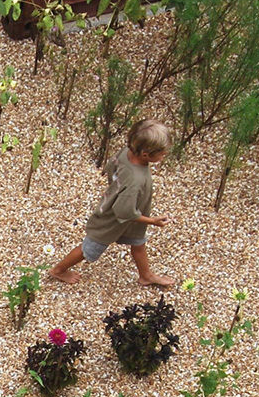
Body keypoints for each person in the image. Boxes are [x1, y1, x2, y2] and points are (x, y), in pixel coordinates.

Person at [48, 119, 175, 287]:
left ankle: (146, 275)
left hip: (132, 215)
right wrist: (153, 221)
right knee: (89, 248)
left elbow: (111, 167)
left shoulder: (126, 153)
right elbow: (124, 212)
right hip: (112, 221)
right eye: (162, 153)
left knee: (138, 242)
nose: (164, 156)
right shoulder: (135, 180)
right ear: (146, 154)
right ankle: (58, 270)